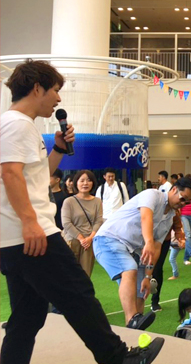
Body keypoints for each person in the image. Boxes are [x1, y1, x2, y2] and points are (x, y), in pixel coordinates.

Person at [0, 59, 164, 364]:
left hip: (19, 237)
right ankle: (118, 358)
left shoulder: (21, 125)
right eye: (54, 90)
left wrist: (59, 150)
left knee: (27, 316)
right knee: (78, 292)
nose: (58, 98)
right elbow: (9, 173)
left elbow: (34, 177)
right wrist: (30, 222)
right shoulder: (16, 124)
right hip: (33, 235)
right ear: (36, 88)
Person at [93, 176, 191, 330]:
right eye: (183, 198)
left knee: (141, 292)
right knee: (130, 269)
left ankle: (135, 330)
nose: (183, 204)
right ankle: (132, 319)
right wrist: (148, 242)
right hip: (109, 240)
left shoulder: (169, 218)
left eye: (187, 202)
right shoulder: (152, 195)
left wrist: (148, 276)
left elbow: (157, 247)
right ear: (174, 189)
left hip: (134, 250)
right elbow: (145, 217)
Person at [61, 170, 104, 277]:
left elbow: (98, 221)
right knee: (69, 274)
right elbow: (66, 223)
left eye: (89, 180)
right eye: (82, 180)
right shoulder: (69, 201)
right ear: (76, 183)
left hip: (89, 242)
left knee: (85, 274)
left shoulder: (97, 201)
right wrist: (81, 239)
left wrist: (90, 238)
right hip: (72, 241)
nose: (85, 183)